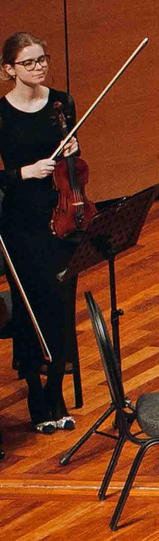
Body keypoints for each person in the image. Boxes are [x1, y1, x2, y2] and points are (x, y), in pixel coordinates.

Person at [0, 34, 78, 431]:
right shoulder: (1, 114)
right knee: (29, 305)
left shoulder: (61, 103)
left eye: (42, 59)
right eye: (28, 63)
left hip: (61, 215)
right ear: (8, 70)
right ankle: (34, 388)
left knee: (61, 305)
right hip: (20, 222)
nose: (39, 67)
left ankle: (58, 392)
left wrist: (72, 151)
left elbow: (75, 163)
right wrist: (22, 173)